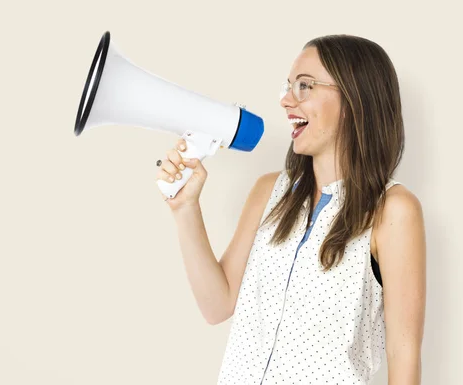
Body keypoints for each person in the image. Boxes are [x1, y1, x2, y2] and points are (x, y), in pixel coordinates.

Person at [156, 35, 426, 385]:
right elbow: (217, 305)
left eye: (304, 86)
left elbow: (403, 356)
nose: (286, 101)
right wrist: (185, 208)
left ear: (354, 99)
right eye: (288, 87)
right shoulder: (270, 192)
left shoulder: (392, 210)